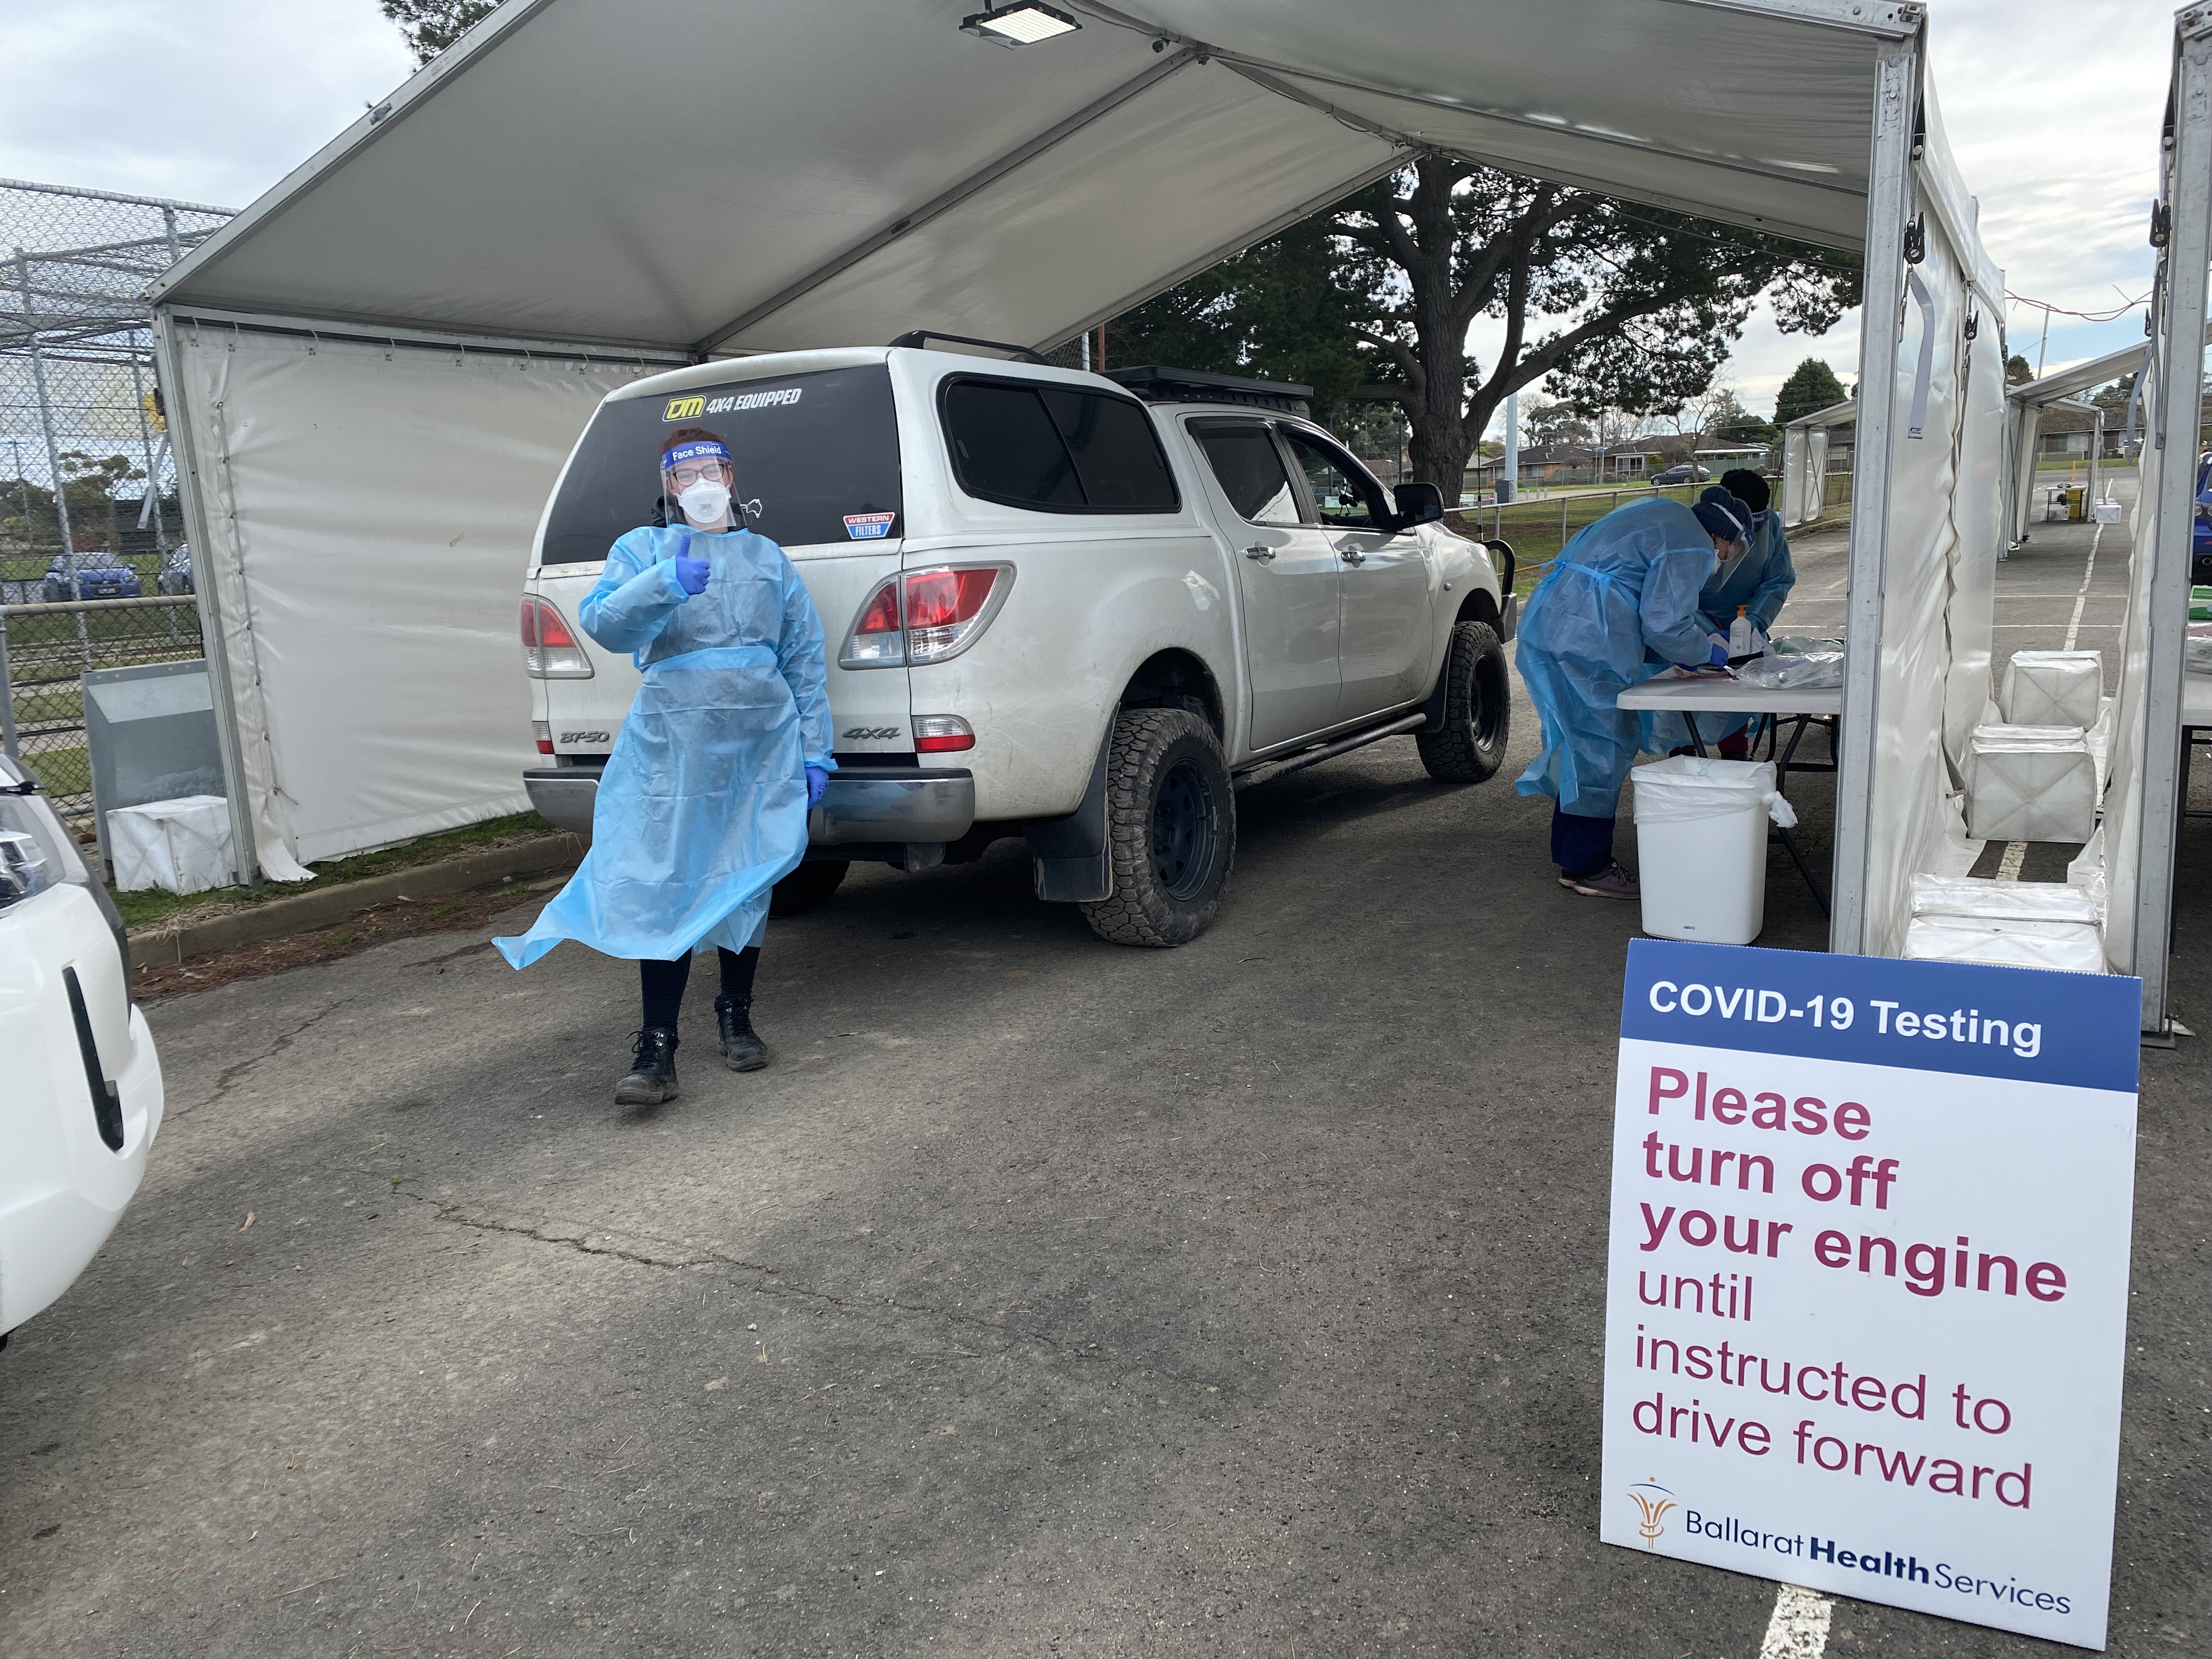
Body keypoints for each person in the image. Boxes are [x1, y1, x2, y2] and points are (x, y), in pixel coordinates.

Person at [495, 425, 835, 1105]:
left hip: (758, 743)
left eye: (712, 470)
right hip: (673, 745)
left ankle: (736, 1015)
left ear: (732, 478)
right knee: (665, 878)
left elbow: (802, 655)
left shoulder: (768, 557)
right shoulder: (642, 549)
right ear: (669, 486)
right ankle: (657, 1047)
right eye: (686, 475)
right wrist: (664, 583)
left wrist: (814, 749)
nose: (701, 484)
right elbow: (606, 625)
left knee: (748, 875)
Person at [1514, 487, 1754, 899]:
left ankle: (1573, 856)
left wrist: (1682, 651)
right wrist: (1707, 652)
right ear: (1723, 538)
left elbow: (1636, 595)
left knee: (1578, 745)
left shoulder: (1664, 516)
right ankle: (1589, 868)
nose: (1723, 560)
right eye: (1729, 551)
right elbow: (1663, 623)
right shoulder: (1694, 545)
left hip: (1554, 623)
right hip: (1588, 638)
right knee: (1603, 747)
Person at [1652, 467, 1798, 759]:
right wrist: (1705, 632)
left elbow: (1778, 579)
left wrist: (1752, 622)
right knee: (1681, 701)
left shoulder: (1771, 524)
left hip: (1745, 624)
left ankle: (1736, 763)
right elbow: (1672, 596)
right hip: (1689, 625)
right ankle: (1684, 765)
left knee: (1735, 701)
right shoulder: (1692, 532)